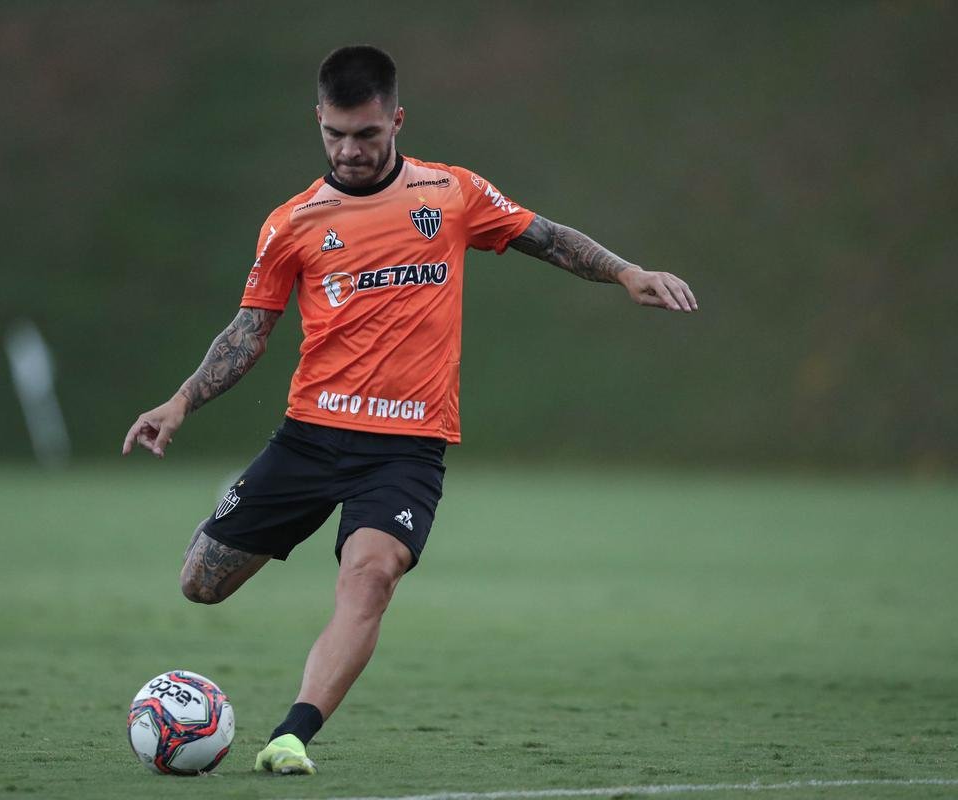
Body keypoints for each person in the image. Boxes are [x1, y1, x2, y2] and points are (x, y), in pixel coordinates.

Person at [122, 45, 697, 775]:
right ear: (319, 123)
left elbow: (543, 236)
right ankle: (248, 504)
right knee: (199, 584)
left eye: (365, 134)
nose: (350, 150)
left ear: (395, 120)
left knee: (370, 575)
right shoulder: (293, 222)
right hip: (308, 438)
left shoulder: (449, 193)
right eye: (334, 134)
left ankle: (292, 734)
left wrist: (625, 272)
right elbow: (248, 331)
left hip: (404, 450)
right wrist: (180, 401)